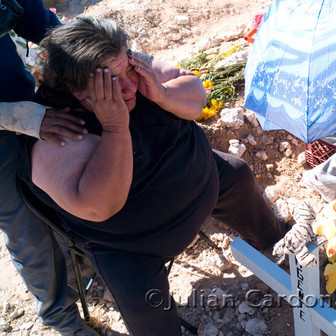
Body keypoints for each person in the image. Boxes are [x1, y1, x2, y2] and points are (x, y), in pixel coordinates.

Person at [17, 16, 290, 335]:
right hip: (133, 247)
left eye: (128, 69)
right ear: (75, 90)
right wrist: (115, 127)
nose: (130, 86)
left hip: (208, 180)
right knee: (145, 308)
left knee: (237, 172)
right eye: (112, 81)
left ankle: (279, 247)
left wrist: (160, 92)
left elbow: (196, 96)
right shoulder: (55, 133)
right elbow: (99, 207)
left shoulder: (129, 68)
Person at [0, 1, 98, 335]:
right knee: (25, 223)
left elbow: (43, 25)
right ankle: (61, 317)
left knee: (63, 189)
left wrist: (94, 49)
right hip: (17, 120)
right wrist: (24, 118)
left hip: (27, 105)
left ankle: (79, 272)